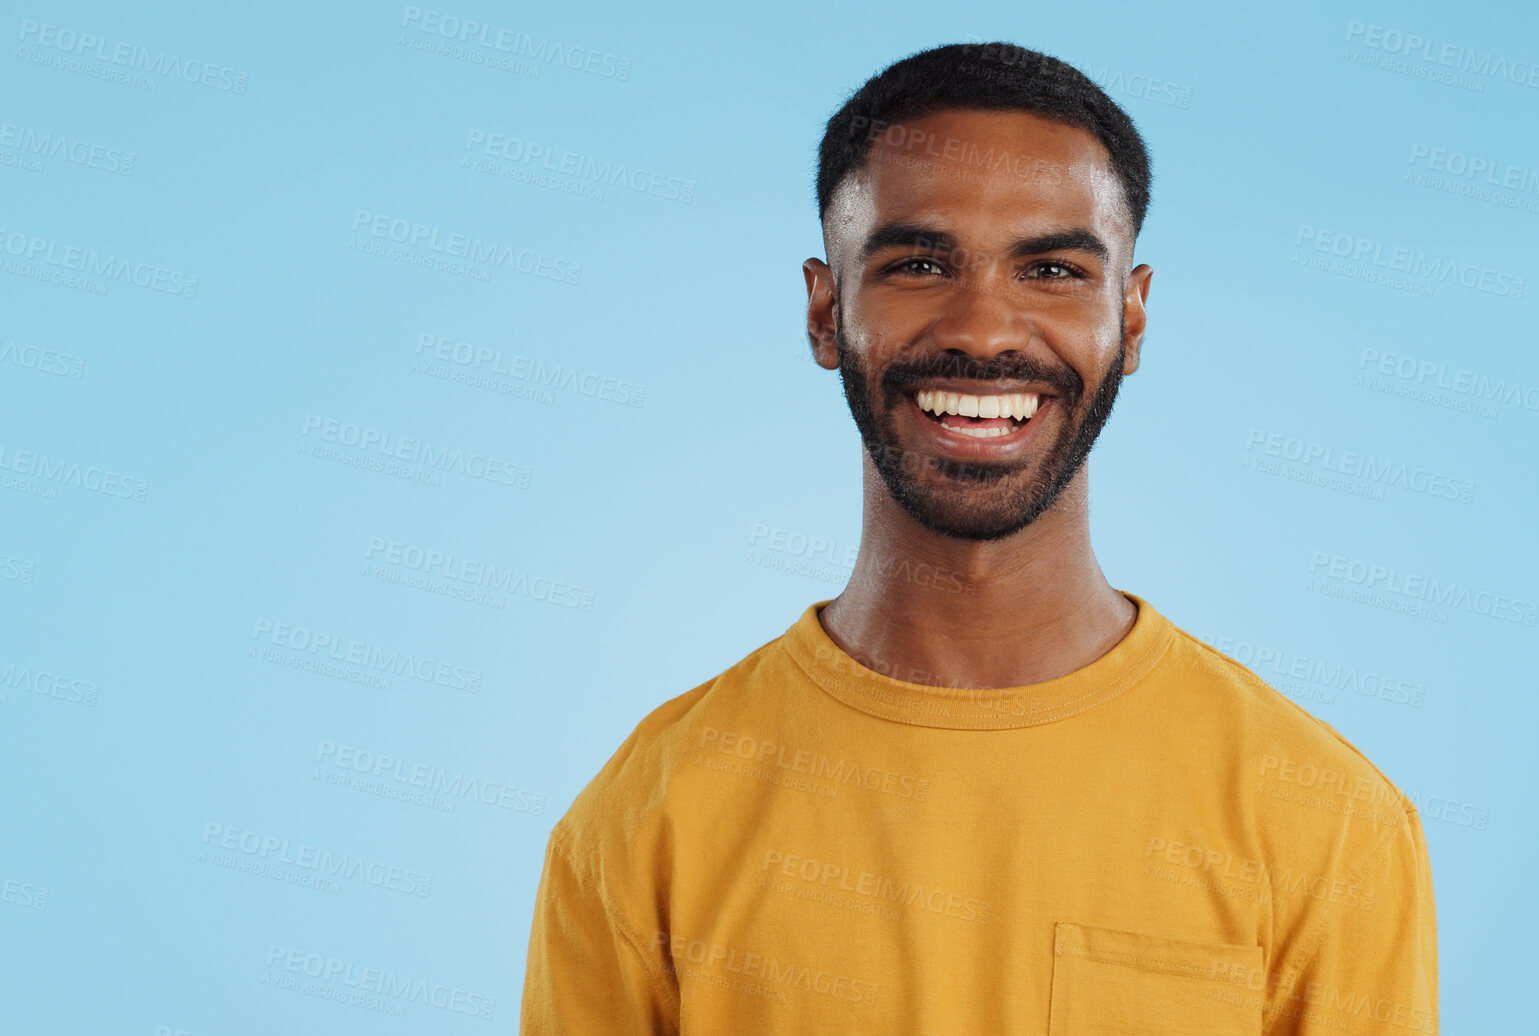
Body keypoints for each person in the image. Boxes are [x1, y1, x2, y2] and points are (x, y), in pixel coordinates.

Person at [519, 40, 1438, 1035]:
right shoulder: (644, 821)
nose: (987, 330)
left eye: (1050, 268)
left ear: (1129, 317)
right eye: (919, 263)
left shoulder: (1326, 823)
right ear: (826, 310)